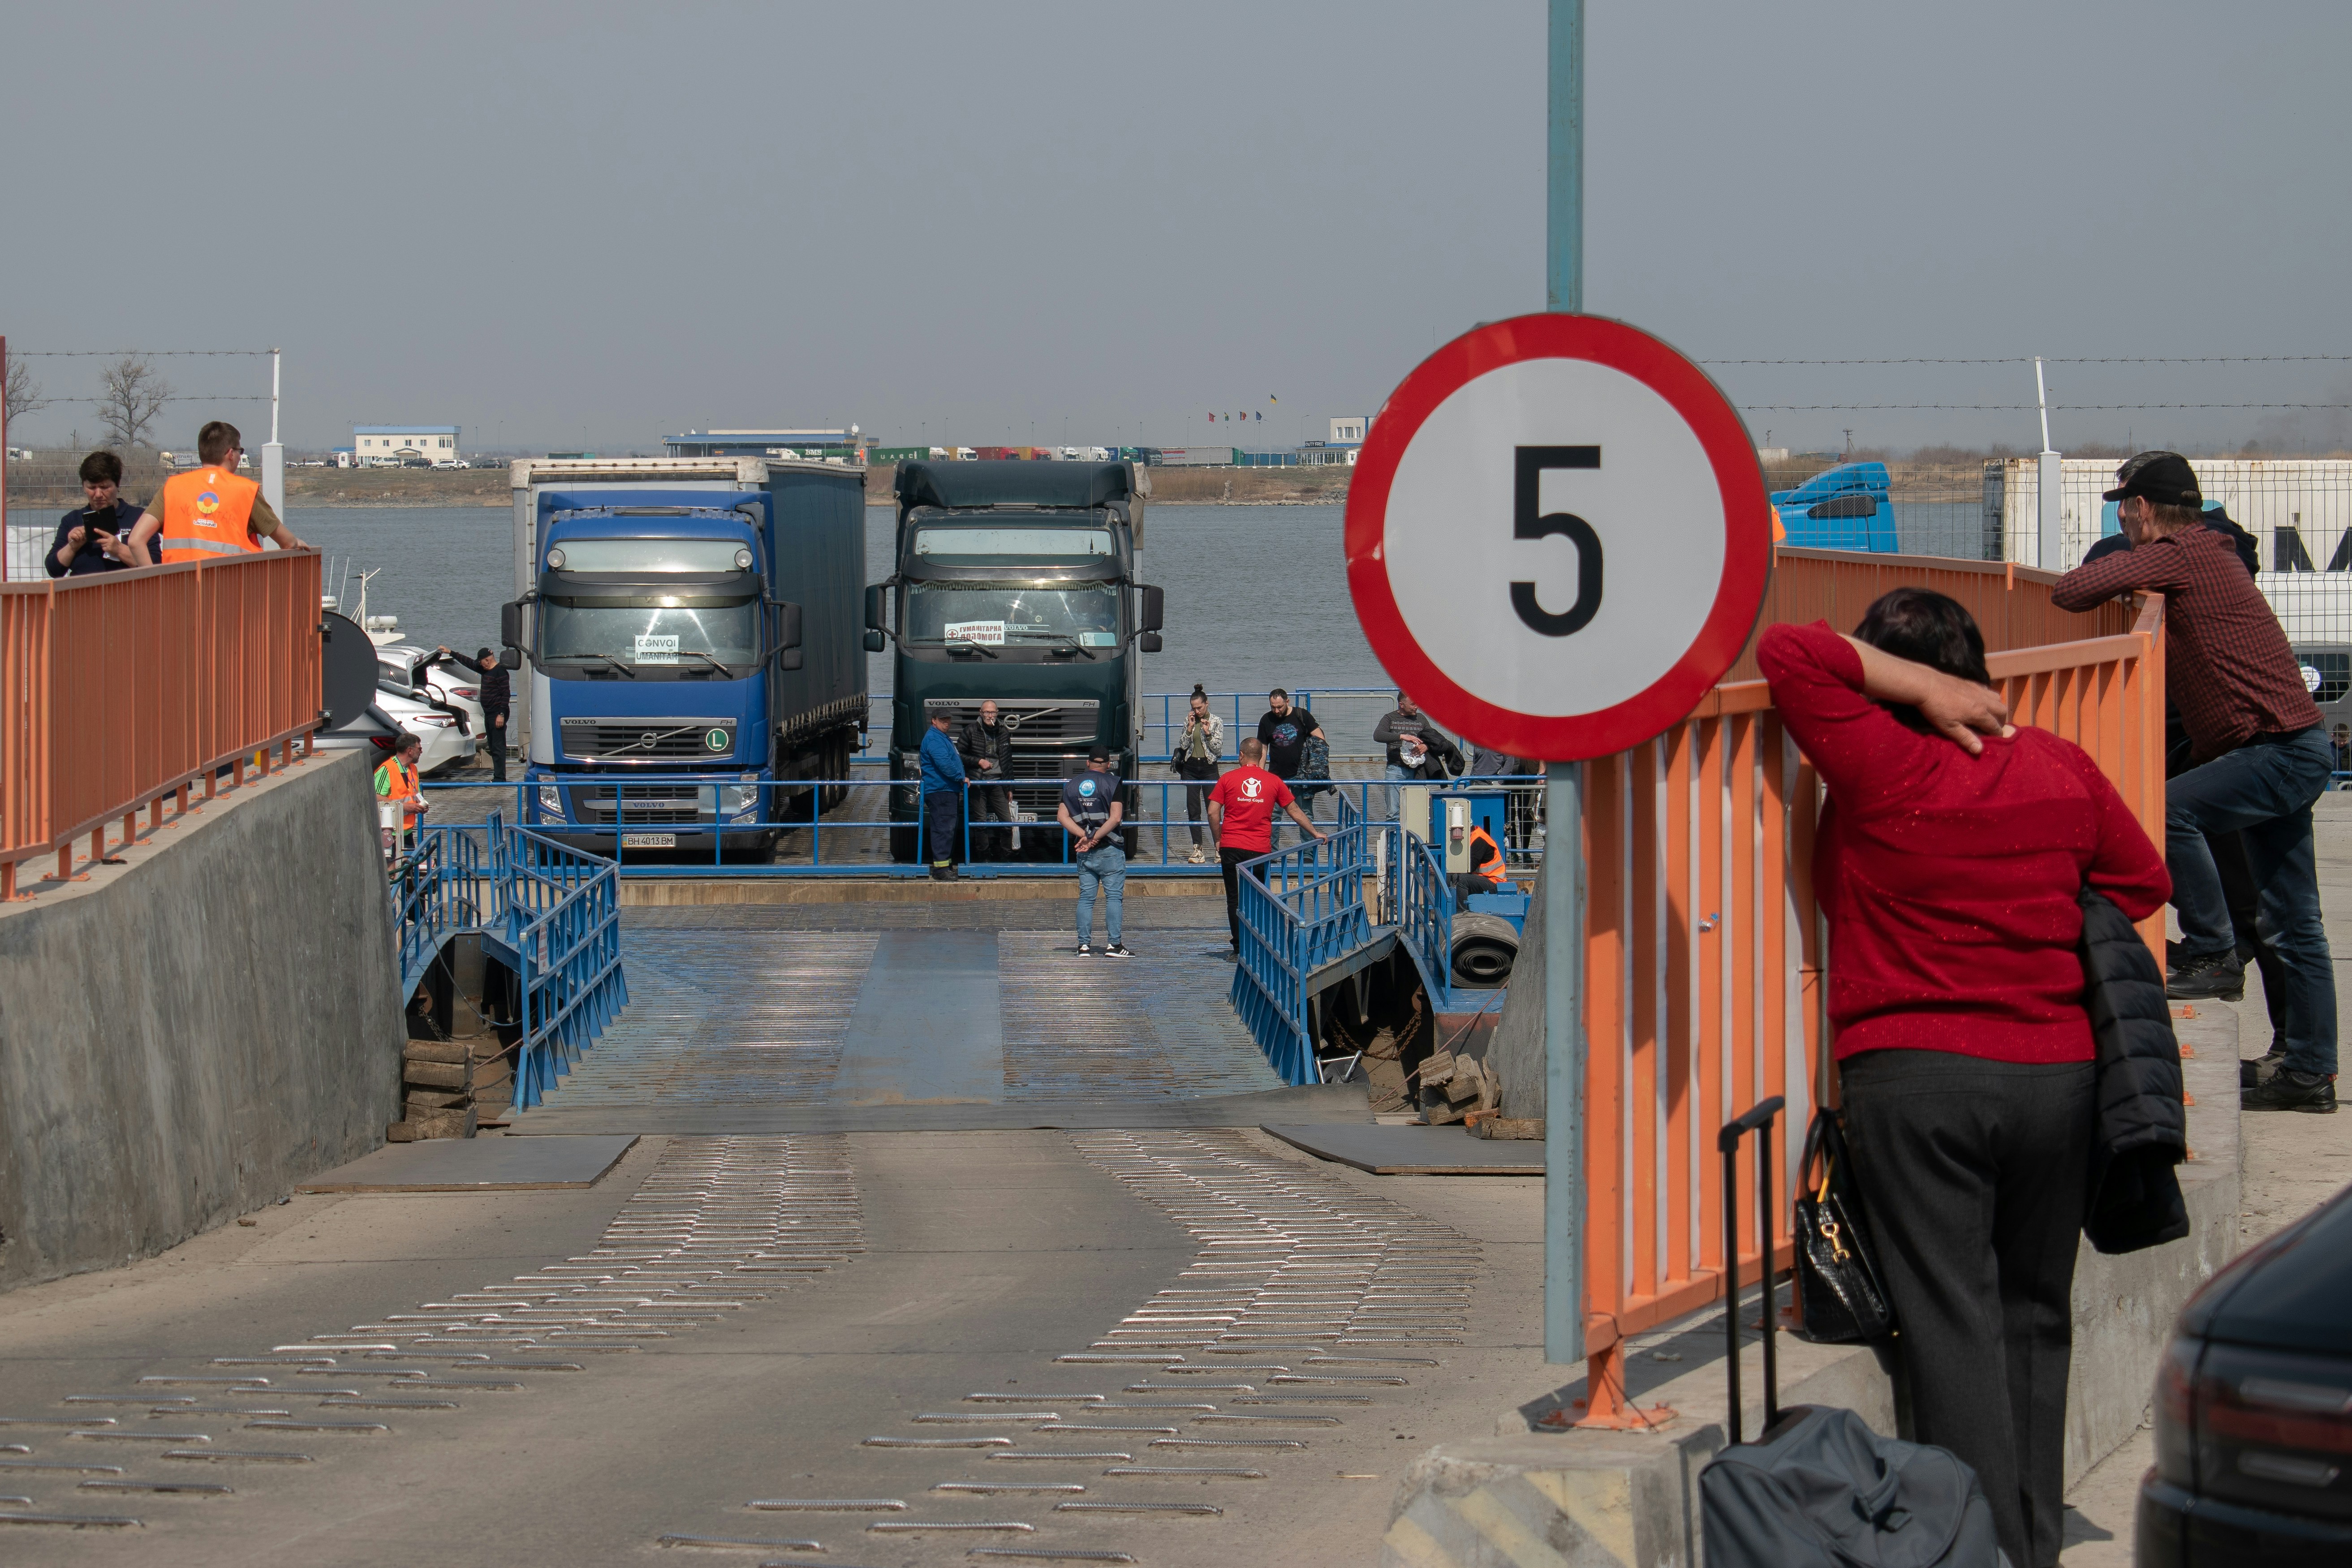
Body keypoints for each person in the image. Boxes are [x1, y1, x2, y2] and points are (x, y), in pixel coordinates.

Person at [1757, 590, 2169, 1568]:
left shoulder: (1881, 761)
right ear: (1976, 663)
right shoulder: (2057, 765)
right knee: (2034, 1315)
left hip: (1918, 1079)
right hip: (2059, 1077)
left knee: (1951, 1323)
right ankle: (2030, 1549)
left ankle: (1965, 1547)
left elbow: (1788, 650)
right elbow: (2141, 881)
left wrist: (1916, 690)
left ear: (1896, 673)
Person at [2052, 452, 2337, 1112]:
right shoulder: (2205, 548)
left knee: (2162, 812)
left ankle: (2212, 952)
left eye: (2122, 507)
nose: (2120, 518)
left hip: (2275, 750)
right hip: (2287, 745)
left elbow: (2069, 591)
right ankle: (2308, 1073)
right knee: (2295, 925)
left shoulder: (2180, 553)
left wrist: (2117, 567)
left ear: (2141, 508)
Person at [126, 421, 311, 564]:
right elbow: (287, 542)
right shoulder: (245, 491)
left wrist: (155, 581)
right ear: (231, 454)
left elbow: (135, 541)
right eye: (240, 451)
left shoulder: (173, 487)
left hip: (179, 595)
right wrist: (295, 542)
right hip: (232, 596)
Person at [1207, 736, 1327, 956]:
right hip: (1259, 851)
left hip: (1231, 846)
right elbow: (1294, 811)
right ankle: (1259, 942)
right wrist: (1314, 833)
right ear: (1262, 756)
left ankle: (1239, 947)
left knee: (1234, 897)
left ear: (1241, 756)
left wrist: (1218, 839)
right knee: (1259, 898)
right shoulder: (1274, 781)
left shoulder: (1227, 779)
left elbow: (1213, 812)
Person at [1060, 745, 1130, 957]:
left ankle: (1084, 946)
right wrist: (1094, 838)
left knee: (1086, 899)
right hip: (1110, 849)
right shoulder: (1113, 782)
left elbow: (1062, 817)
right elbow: (1116, 818)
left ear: (1088, 763)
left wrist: (1084, 836)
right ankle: (1114, 946)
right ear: (1109, 764)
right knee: (1114, 898)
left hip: (1085, 853)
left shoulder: (1072, 785)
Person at [46, 452, 142, 577]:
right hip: (83, 594)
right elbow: (54, 570)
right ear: (83, 486)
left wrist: (119, 550)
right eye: (92, 488)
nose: (98, 494)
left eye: (104, 487)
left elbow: (155, 566)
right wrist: (72, 547)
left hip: (127, 594)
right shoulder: (72, 520)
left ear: (117, 484)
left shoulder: (139, 518)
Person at [1372, 690, 1463, 819]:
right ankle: (1393, 839)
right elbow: (1378, 735)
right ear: (1401, 705)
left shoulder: (1421, 719)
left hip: (1418, 772)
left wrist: (1426, 746)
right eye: (1413, 704)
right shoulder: (1390, 718)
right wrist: (1402, 737)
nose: (1417, 707)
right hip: (1395, 769)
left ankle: (1415, 839)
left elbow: (1434, 738)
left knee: (1417, 812)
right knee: (1393, 813)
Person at [1255, 689, 1325, 846]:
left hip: (1301, 775)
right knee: (1273, 815)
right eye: (1273, 707)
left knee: (1305, 813)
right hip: (1275, 776)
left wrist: (1314, 763)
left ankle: (1308, 853)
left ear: (1287, 702)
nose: (1276, 710)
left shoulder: (1302, 716)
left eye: (1280, 707)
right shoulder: (1266, 720)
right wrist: (1259, 773)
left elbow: (1320, 737)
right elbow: (1263, 749)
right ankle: (1272, 853)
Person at [437, 646, 512, 784]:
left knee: (498, 746)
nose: (480, 664)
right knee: (492, 744)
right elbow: (469, 663)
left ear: (488, 660)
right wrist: (451, 653)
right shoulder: (485, 670)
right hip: (489, 713)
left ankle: (500, 778)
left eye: (482, 661)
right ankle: (498, 776)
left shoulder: (500, 672)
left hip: (498, 714)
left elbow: (506, 694)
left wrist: (501, 714)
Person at [1172, 686, 1225, 864]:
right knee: (1194, 811)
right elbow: (1183, 745)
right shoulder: (1190, 720)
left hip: (1209, 768)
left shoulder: (1217, 721)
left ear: (1206, 704)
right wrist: (1189, 728)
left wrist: (1208, 733)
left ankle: (1219, 848)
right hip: (1191, 769)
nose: (1196, 711)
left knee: (1213, 811)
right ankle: (1198, 850)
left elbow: (1218, 750)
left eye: (1199, 708)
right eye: (1193, 708)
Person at [960, 700, 1017, 861]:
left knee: (1007, 822)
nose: (990, 716)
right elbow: (960, 754)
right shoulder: (970, 731)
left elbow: (1007, 761)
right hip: (978, 783)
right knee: (981, 823)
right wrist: (979, 761)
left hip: (998, 782)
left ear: (997, 713)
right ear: (980, 713)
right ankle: (984, 857)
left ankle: (1006, 856)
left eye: (993, 713)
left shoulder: (1003, 732)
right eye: (986, 713)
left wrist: (1010, 787)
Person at [918, 709, 967, 881]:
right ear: (934, 721)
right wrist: (961, 777)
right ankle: (940, 870)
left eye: (948, 719)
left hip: (945, 790)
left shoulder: (940, 737)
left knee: (947, 829)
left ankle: (946, 866)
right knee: (943, 829)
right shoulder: (934, 739)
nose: (947, 722)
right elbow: (944, 763)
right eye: (943, 720)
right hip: (941, 791)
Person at [374, 733, 429, 853]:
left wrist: (420, 805)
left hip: (406, 830)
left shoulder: (413, 769)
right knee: (393, 867)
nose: (421, 752)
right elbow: (376, 797)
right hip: (390, 831)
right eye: (419, 749)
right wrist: (405, 807)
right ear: (410, 751)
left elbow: (413, 794)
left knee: (408, 866)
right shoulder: (387, 769)